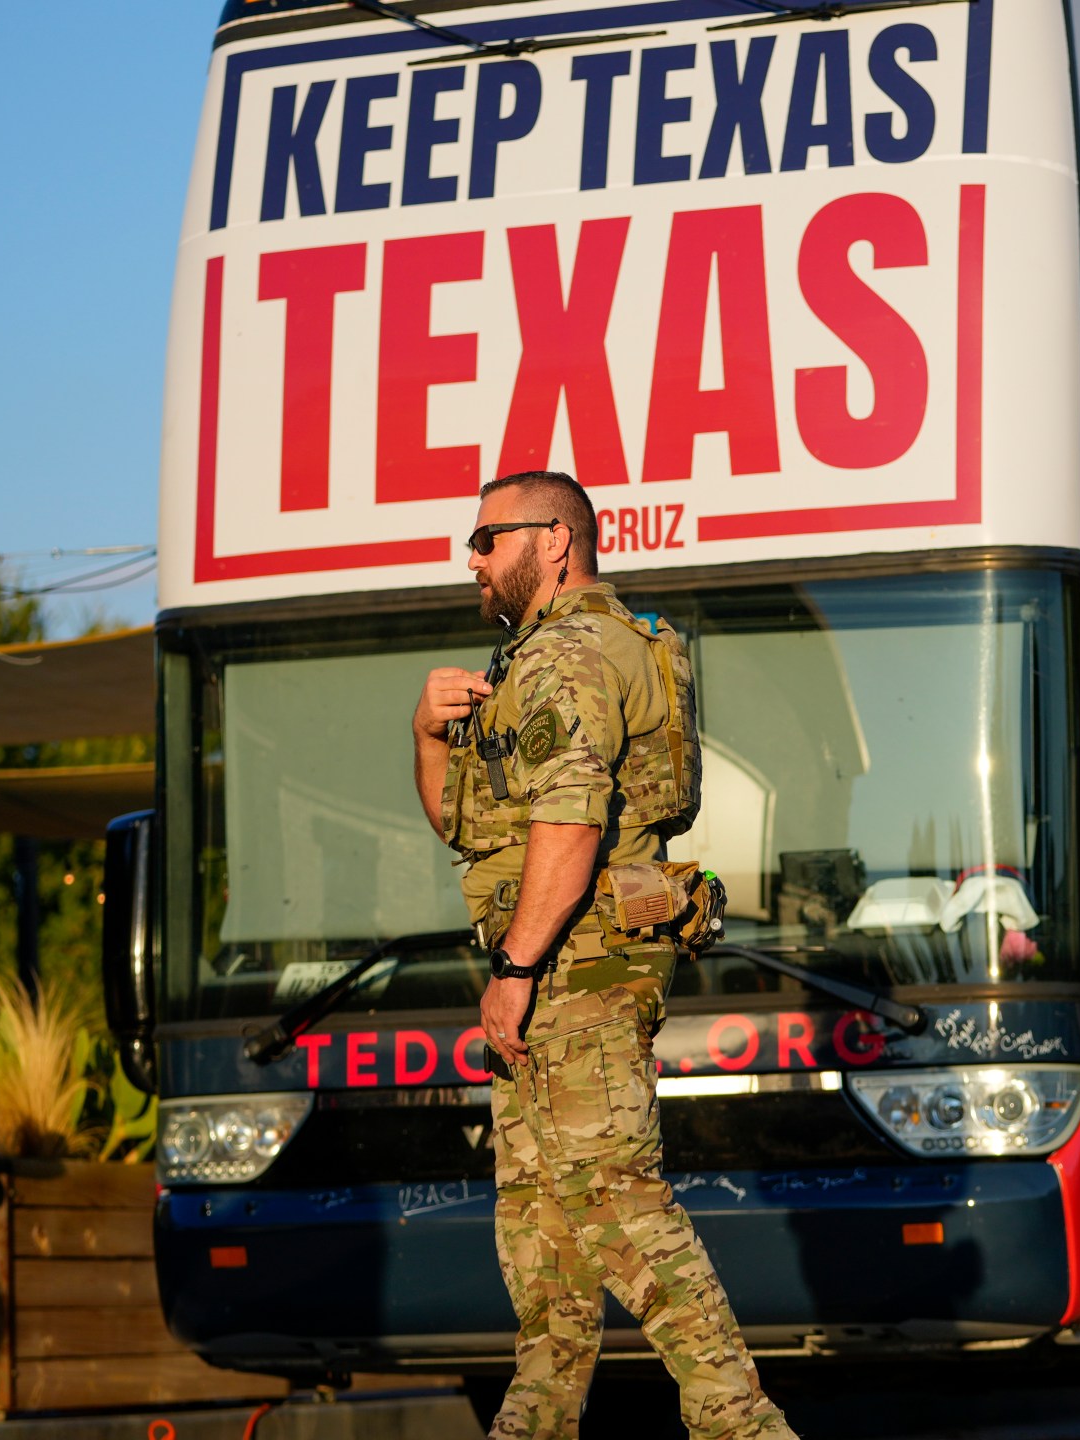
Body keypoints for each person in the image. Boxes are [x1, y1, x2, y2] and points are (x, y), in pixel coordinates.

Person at [411, 470, 796, 1440]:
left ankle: (742, 1427)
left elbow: (572, 825)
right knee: (544, 1226)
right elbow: (465, 829)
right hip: (558, 961)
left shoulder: (571, 655)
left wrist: (514, 972)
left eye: (487, 539)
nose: (472, 559)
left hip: (573, 962)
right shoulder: (544, 657)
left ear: (555, 540)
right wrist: (425, 734)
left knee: (614, 1200)